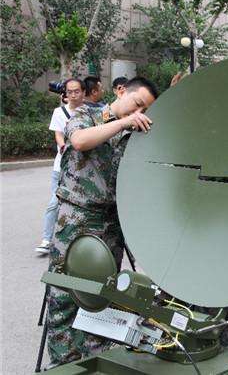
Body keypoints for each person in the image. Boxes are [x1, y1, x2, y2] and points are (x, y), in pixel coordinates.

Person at [46, 77, 159, 367]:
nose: (140, 112)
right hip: (76, 220)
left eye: (146, 109)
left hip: (110, 225)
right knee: (64, 298)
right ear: (121, 92)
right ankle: (62, 366)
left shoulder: (137, 135)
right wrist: (123, 123)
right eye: (138, 104)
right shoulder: (86, 114)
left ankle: (96, 363)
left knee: (102, 300)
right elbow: (80, 140)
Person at [35, 79, 85, 254]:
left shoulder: (90, 112)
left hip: (83, 168)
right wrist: (64, 146)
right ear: (65, 94)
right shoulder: (59, 112)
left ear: (83, 92)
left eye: (76, 91)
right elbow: (58, 134)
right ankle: (47, 239)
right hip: (61, 167)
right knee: (54, 203)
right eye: (69, 92)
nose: (73, 95)